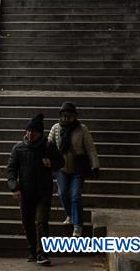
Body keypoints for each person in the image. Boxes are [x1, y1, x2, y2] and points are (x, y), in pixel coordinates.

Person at [7, 112, 63, 266]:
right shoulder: (18, 149)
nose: (31, 134)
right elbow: (11, 170)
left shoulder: (48, 146)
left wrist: (51, 163)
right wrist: (14, 188)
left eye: (34, 131)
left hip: (43, 192)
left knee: (41, 221)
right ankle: (32, 250)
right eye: (29, 131)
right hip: (25, 193)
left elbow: (61, 162)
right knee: (27, 222)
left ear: (40, 133)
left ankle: (42, 253)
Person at [48, 102, 100, 238]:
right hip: (61, 167)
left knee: (75, 196)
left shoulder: (82, 129)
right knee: (62, 192)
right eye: (64, 116)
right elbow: (49, 146)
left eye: (69, 116)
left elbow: (90, 148)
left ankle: (77, 225)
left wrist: (95, 165)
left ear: (74, 116)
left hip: (78, 167)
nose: (66, 119)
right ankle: (70, 214)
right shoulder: (55, 129)